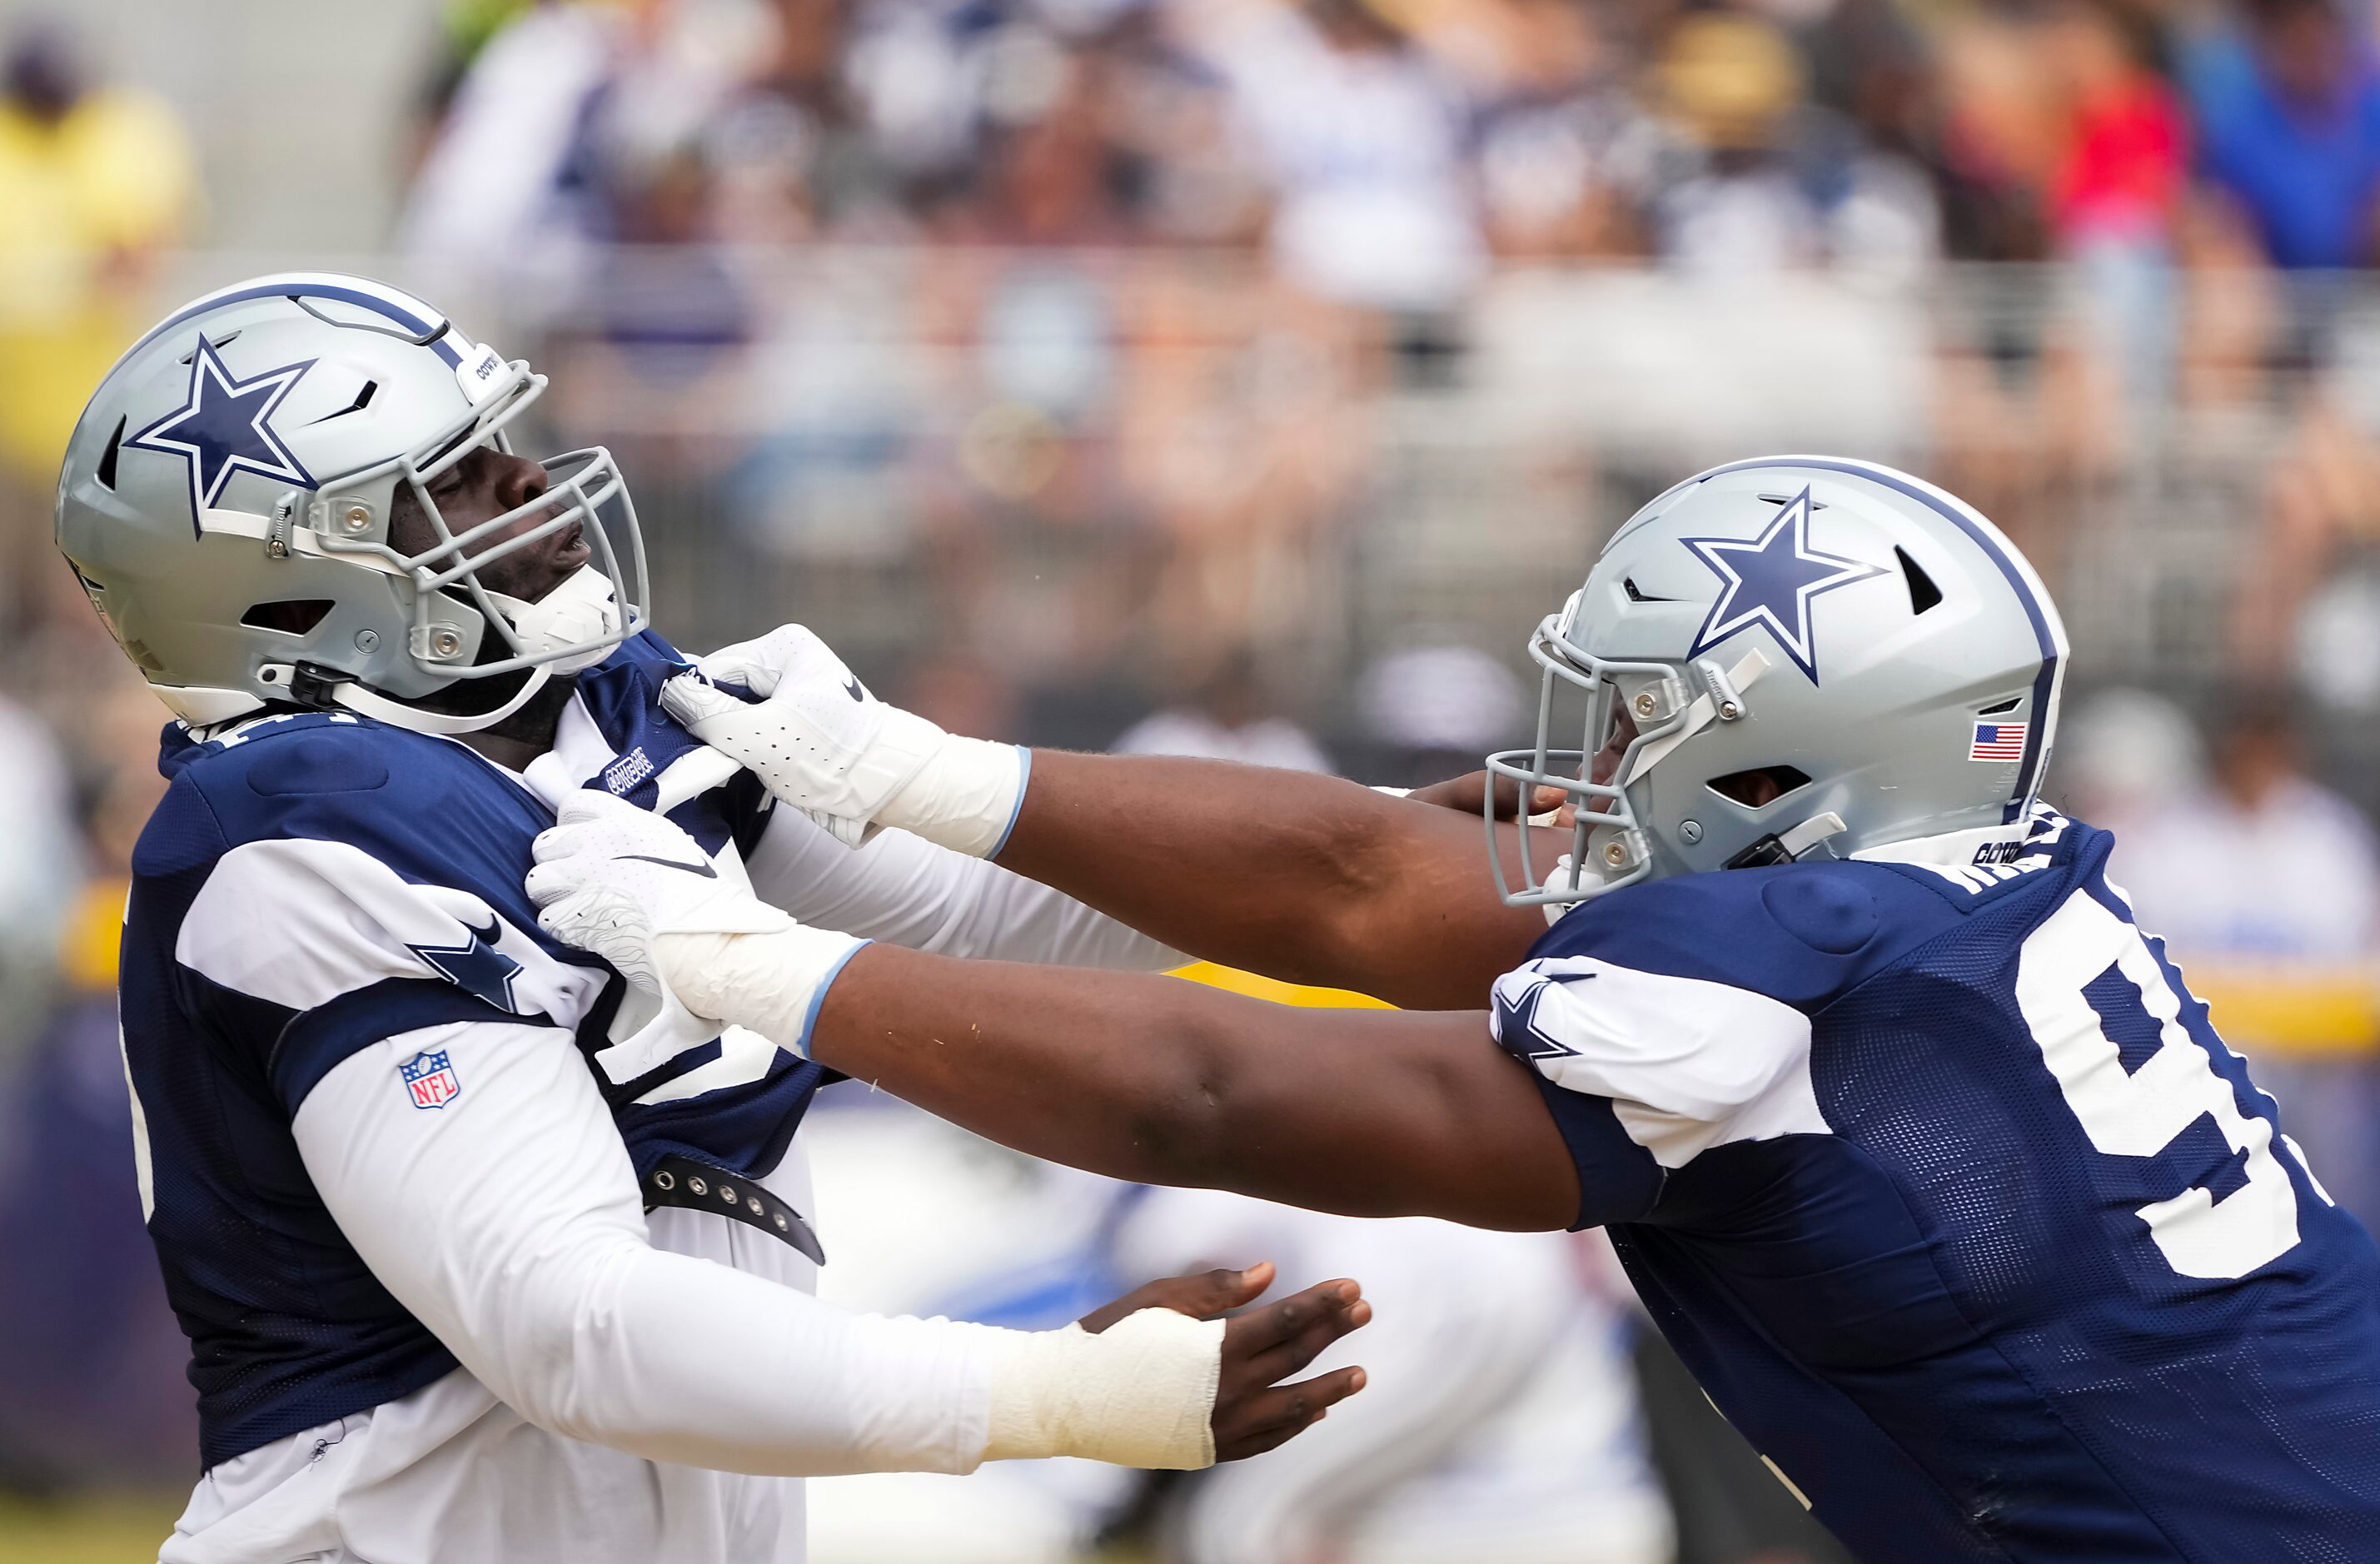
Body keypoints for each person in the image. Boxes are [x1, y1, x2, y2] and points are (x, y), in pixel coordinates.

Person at [528, 457, 2380, 1559]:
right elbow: (1358, 876)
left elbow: (1207, 1092)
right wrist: (920, 770)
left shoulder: (1770, 982)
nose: (1596, 762)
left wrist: (769, 973)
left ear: (1792, 766)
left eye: (1649, 722)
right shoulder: (1943, 890)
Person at [53, 273, 1367, 1564]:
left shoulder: (596, 710)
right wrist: (1051, 1394)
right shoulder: (298, 822)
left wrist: (1394, 846)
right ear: (283, 592)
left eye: (498, 446)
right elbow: (568, 1321)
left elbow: (1000, 921)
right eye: (447, 479)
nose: (527, 485)